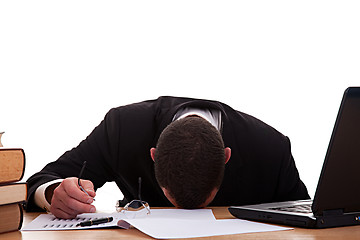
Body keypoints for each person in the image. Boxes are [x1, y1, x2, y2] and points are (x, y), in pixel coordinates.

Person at [25, 96, 309, 219]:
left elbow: (307, 216)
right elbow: (39, 182)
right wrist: (52, 193)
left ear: (226, 157)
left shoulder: (270, 148)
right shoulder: (122, 130)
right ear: (153, 155)